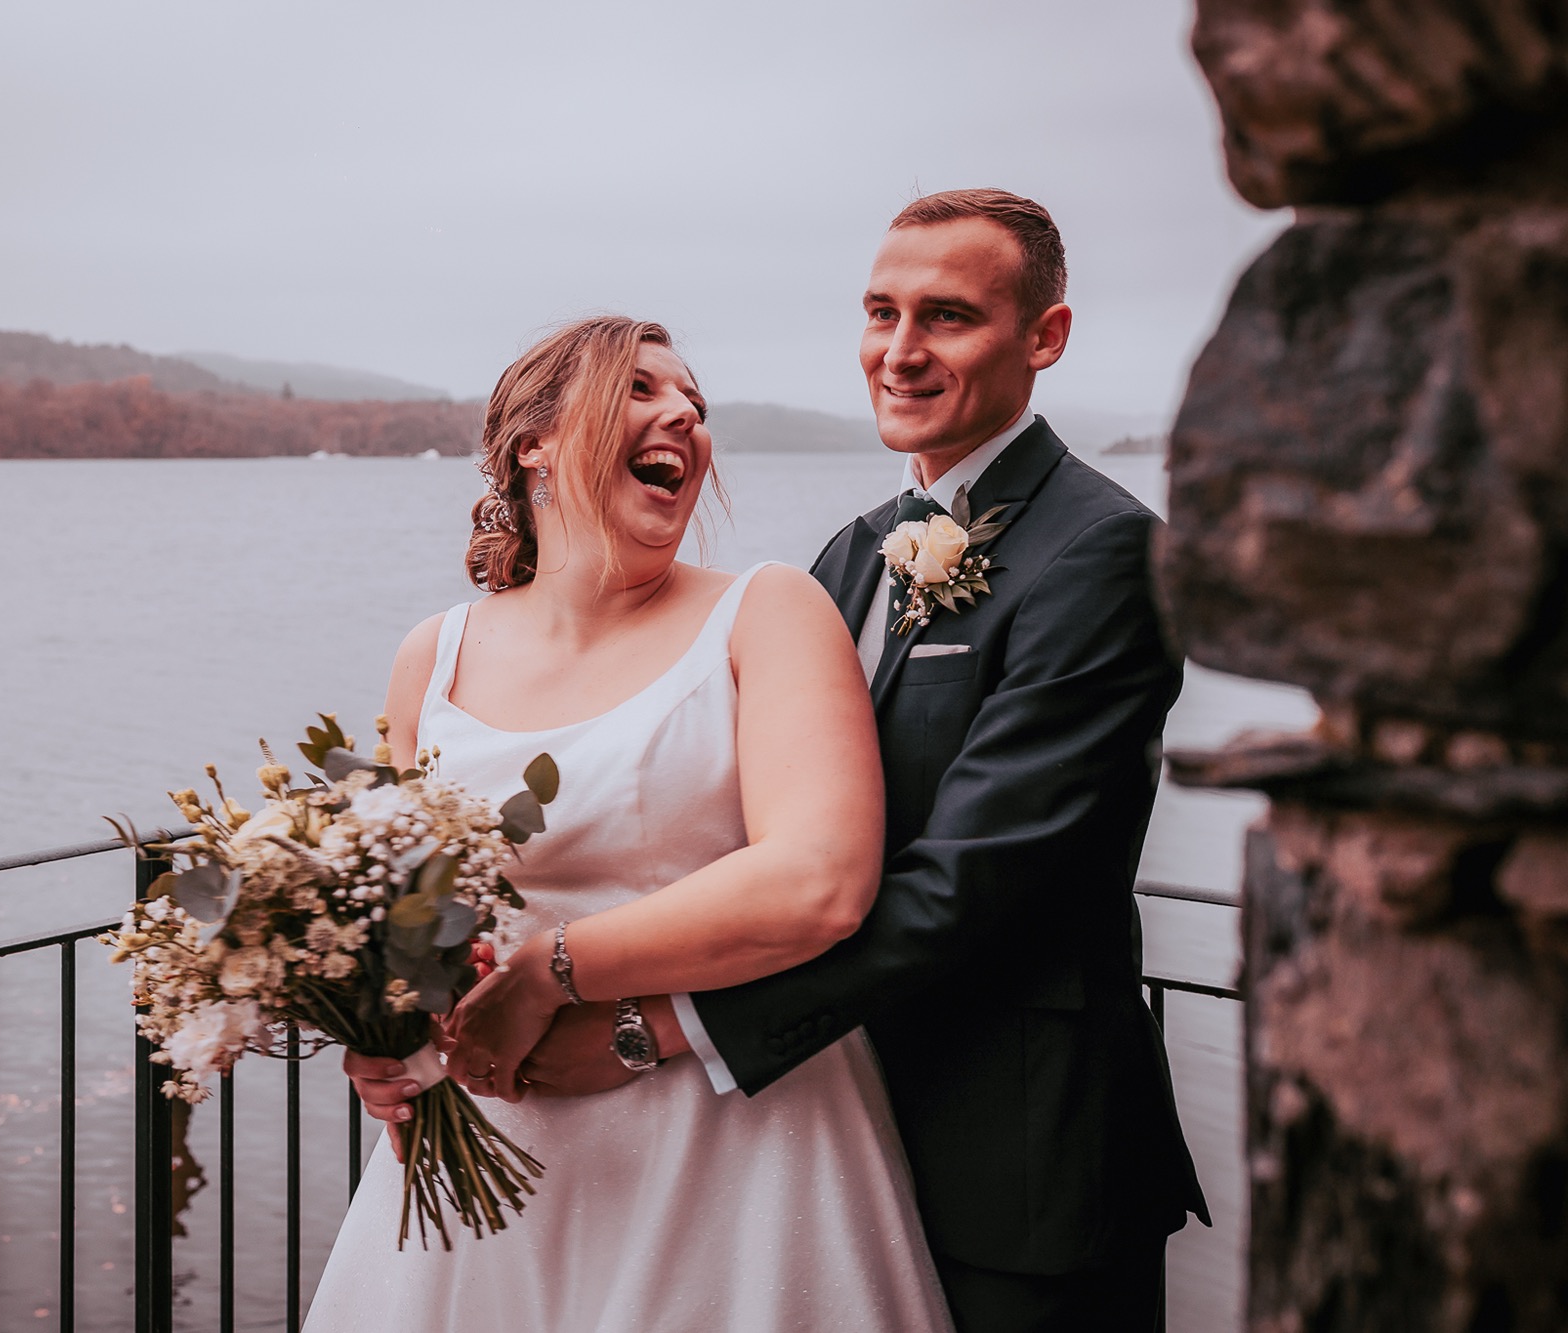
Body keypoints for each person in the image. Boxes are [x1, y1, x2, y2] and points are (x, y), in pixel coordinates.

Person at [352, 189, 1209, 1332]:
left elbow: (960, 883)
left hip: (1009, 1140)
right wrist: (388, 1029)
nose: (899, 351)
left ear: (1041, 338)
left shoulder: (1100, 552)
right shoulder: (846, 559)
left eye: (945, 317)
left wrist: (642, 1023)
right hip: (805, 1093)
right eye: (879, 312)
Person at [303, 316, 954, 1331]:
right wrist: (380, 1035)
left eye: (693, 402)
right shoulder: (433, 653)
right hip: (488, 1143)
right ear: (536, 444)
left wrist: (549, 968)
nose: (683, 415)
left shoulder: (765, 611)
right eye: (643, 388)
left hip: (729, 1141)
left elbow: (817, 880)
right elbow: (404, 916)